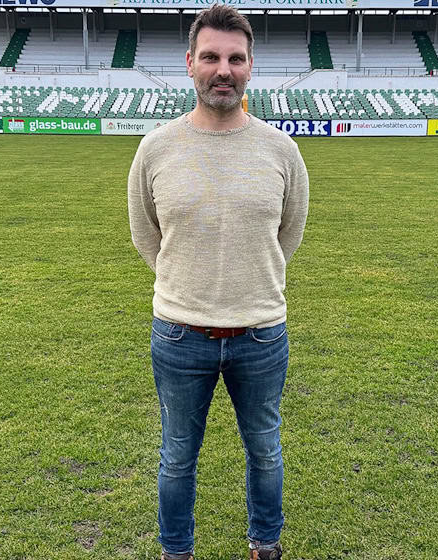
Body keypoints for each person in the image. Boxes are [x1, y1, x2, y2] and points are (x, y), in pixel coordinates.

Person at [127, 4, 309, 559]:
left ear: (251, 66)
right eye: (211, 57)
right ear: (190, 63)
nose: (222, 69)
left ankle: (265, 545)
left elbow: (289, 232)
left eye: (235, 58)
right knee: (178, 454)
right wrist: (192, 283)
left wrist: (246, 282)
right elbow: (147, 235)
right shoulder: (156, 148)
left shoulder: (281, 150)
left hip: (260, 334)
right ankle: (176, 550)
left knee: (266, 452)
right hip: (180, 335)